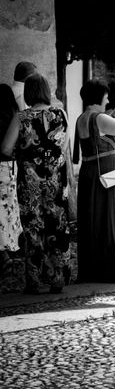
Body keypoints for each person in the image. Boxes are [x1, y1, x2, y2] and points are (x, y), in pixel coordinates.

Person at [3, 74, 70, 294]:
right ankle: (58, 277)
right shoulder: (60, 114)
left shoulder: (21, 118)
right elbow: (62, 147)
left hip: (29, 184)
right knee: (56, 227)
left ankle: (34, 280)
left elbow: (5, 148)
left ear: (29, 93)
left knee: (33, 229)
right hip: (55, 183)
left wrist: (25, 153)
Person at [73, 79, 115, 283]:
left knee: (91, 221)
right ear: (99, 97)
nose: (108, 100)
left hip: (90, 170)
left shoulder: (81, 118)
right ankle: (107, 270)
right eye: (106, 97)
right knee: (109, 219)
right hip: (106, 172)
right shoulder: (98, 118)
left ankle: (90, 269)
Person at [0, 84, 24, 293]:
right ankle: (10, 251)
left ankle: (4, 255)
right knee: (9, 212)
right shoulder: (15, 117)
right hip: (10, 168)